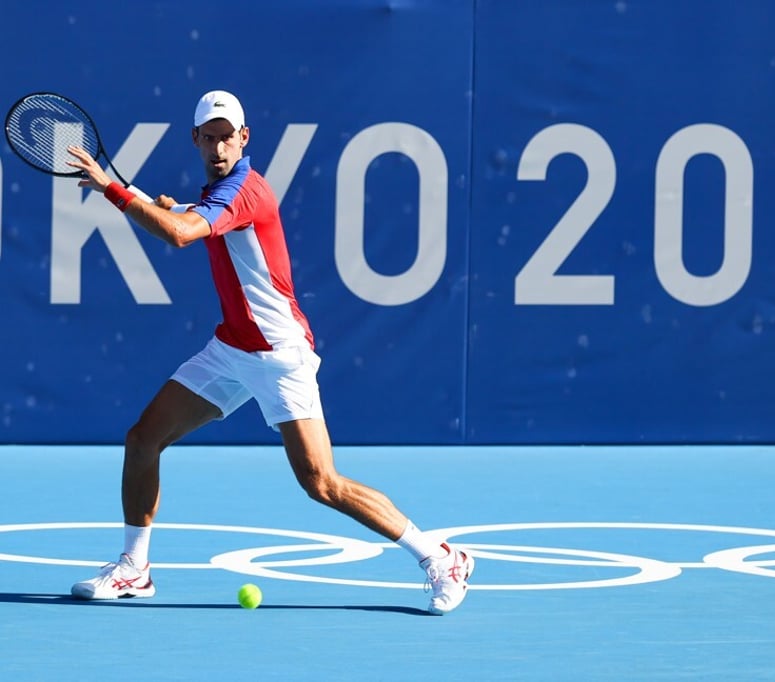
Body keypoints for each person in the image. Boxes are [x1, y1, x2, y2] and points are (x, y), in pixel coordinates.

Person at [65, 90, 473, 615]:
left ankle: (441, 557)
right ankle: (134, 569)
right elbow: (189, 214)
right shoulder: (219, 191)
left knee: (321, 483)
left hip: (281, 355)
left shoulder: (245, 191)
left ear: (244, 138)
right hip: (232, 348)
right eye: (208, 138)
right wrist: (166, 204)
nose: (218, 147)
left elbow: (182, 234)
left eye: (226, 137)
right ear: (195, 139)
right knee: (143, 439)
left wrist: (113, 190)